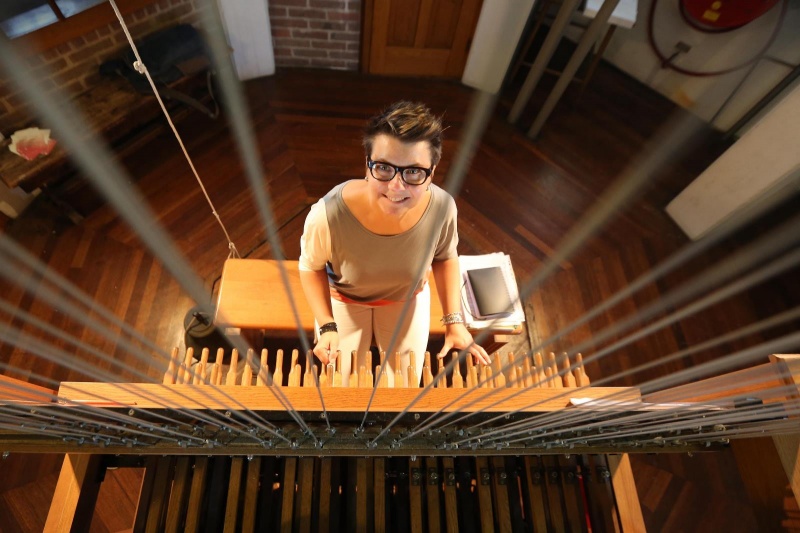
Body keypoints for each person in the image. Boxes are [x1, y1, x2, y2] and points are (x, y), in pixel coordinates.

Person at [298, 101, 490, 387]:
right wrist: (327, 326)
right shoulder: (327, 215)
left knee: (405, 384)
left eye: (413, 172)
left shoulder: (442, 208)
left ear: (432, 173)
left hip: (407, 299)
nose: (397, 188)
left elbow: (445, 256)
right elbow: (310, 267)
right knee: (342, 384)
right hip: (345, 300)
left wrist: (454, 321)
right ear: (367, 165)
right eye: (384, 168)